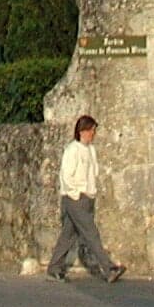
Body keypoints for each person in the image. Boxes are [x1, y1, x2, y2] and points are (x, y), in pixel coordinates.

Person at [46, 115, 125, 282]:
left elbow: (93, 171)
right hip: (75, 198)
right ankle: (109, 268)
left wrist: (90, 193)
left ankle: (54, 266)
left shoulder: (91, 150)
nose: (93, 134)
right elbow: (66, 176)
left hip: (87, 197)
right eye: (91, 130)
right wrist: (76, 193)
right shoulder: (72, 150)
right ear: (82, 131)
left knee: (68, 234)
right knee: (91, 233)